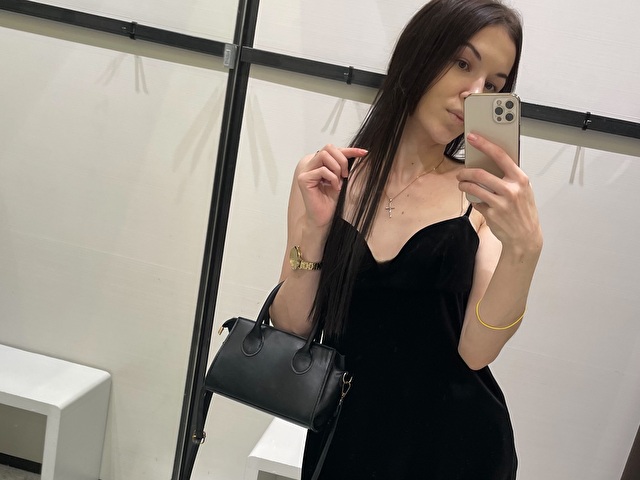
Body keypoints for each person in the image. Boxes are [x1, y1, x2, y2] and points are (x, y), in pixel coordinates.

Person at [270, 0, 543, 478]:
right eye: (463, 63)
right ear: (419, 52)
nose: (474, 94)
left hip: (455, 449)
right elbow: (293, 325)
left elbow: (476, 352)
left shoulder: (480, 201)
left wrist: (524, 250)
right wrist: (314, 229)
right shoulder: (329, 178)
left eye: (493, 87)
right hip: (347, 438)